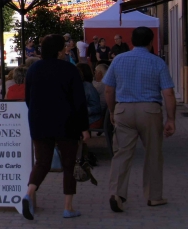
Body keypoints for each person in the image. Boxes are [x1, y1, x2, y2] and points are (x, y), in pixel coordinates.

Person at [104, 27, 176, 212]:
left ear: (132, 41)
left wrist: (112, 111)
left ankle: (116, 193)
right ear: (151, 42)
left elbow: (108, 90)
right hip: (150, 110)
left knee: (122, 153)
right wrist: (171, 119)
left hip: (124, 109)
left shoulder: (118, 59)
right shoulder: (157, 62)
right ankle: (153, 196)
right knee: (153, 153)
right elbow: (168, 93)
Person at [22, 34, 90, 220]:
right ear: (60, 50)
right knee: (69, 164)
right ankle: (68, 207)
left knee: (42, 162)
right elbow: (79, 101)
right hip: (67, 122)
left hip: (39, 121)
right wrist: (84, 128)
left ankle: (29, 193)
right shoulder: (70, 70)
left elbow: (29, 98)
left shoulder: (33, 70)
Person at [77, 63, 103, 128]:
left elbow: (97, 108)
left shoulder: (87, 87)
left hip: (92, 120)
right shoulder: (83, 86)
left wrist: (83, 110)